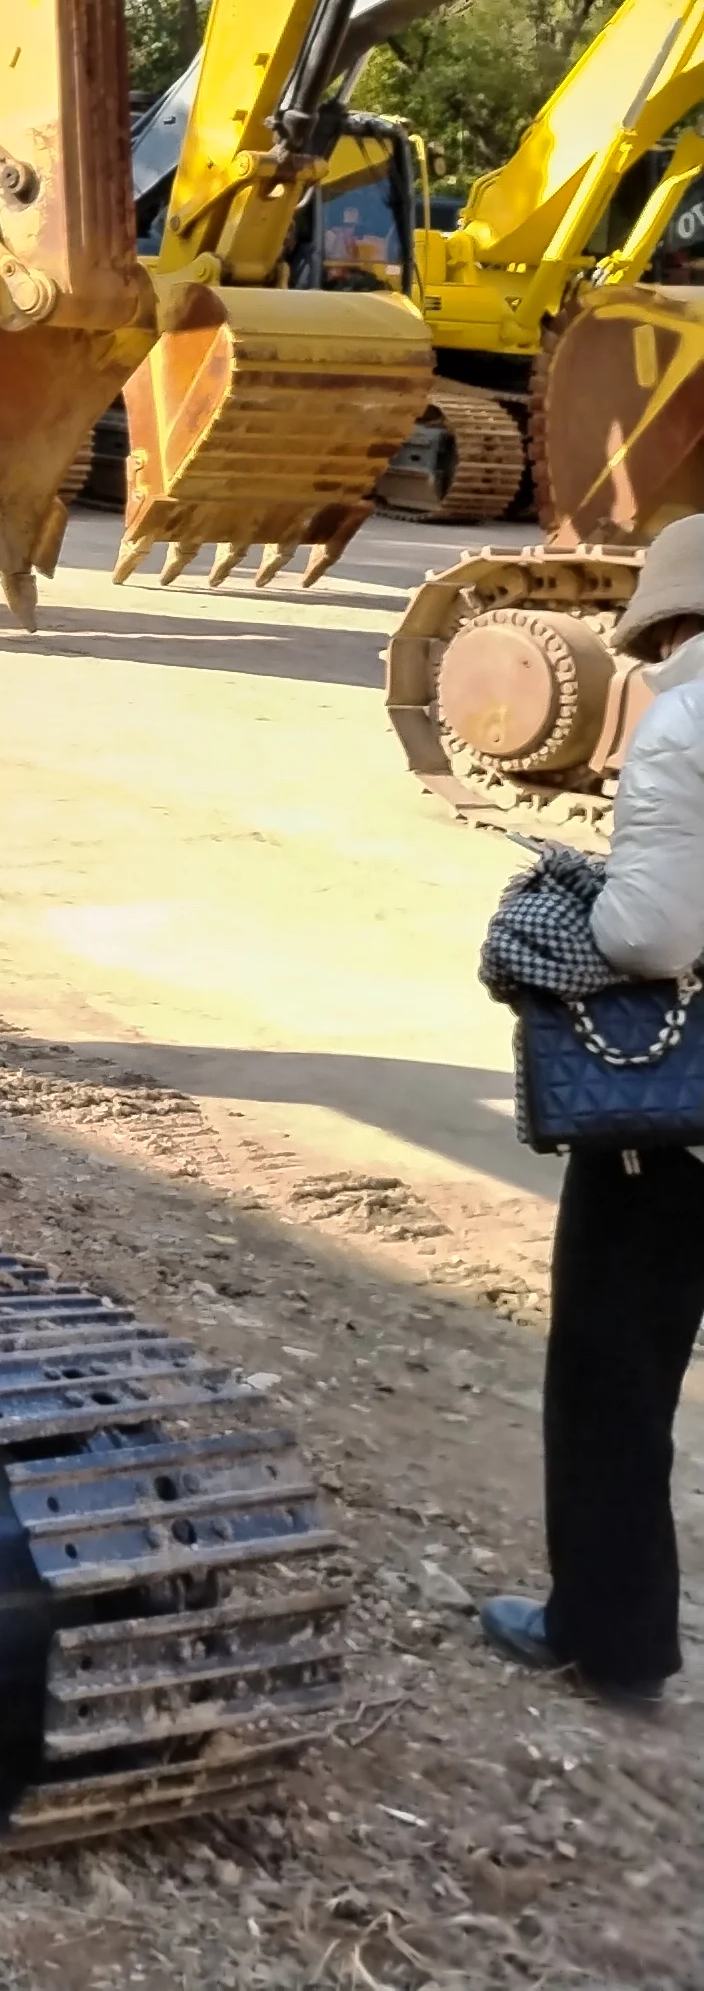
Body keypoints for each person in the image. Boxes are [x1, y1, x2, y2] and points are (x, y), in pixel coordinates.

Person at [480, 514, 704, 1702]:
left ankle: (611, 1639)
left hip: (678, 1140)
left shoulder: (686, 720)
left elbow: (652, 934)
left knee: (615, 1374)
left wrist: (581, 903)